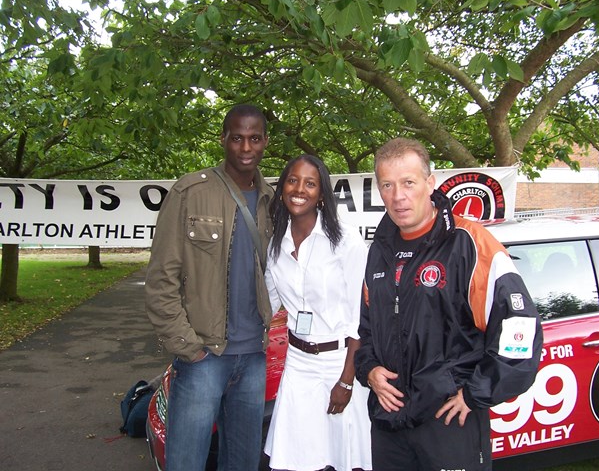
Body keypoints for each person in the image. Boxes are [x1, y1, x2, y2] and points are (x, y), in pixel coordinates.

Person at [354, 138, 543, 471]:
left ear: (430, 183)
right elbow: (367, 329)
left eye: (408, 183)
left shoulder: (468, 243)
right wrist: (368, 370)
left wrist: (475, 394)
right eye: (387, 185)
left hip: (449, 419)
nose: (398, 196)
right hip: (389, 424)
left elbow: (519, 327)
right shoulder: (378, 250)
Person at [145, 104, 274, 471]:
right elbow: (160, 280)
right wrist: (189, 347)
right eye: (237, 138)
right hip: (203, 356)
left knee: (243, 463)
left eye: (254, 138)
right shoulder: (190, 192)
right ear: (223, 140)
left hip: (253, 358)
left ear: (265, 141)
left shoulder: (271, 200)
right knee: (186, 462)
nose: (245, 147)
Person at [263, 154, 372, 471]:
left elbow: (361, 318)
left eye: (310, 183)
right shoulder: (275, 244)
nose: (299, 189)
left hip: (339, 364)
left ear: (321, 194)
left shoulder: (346, 242)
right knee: (297, 459)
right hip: (297, 365)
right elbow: (266, 305)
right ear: (283, 187)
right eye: (292, 180)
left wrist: (347, 381)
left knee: (346, 459)